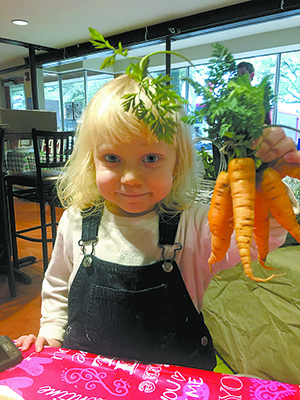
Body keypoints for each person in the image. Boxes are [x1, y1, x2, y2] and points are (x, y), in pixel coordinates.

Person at [17, 74, 299, 371]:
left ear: (177, 164)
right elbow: (59, 284)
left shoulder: (194, 224)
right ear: (92, 161)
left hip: (175, 383)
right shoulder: (77, 219)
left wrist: (262, 179)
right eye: (112, 158)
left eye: (150, 158)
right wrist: (51, 332)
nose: (130, 179)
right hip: (90, 376)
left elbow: (254, 237)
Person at [237, 61, 272, 125]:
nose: (240, 77)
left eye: (243, 73)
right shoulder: (234, 96)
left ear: (252, 75)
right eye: (238, 75)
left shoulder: (261, 95)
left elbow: (267, 120)